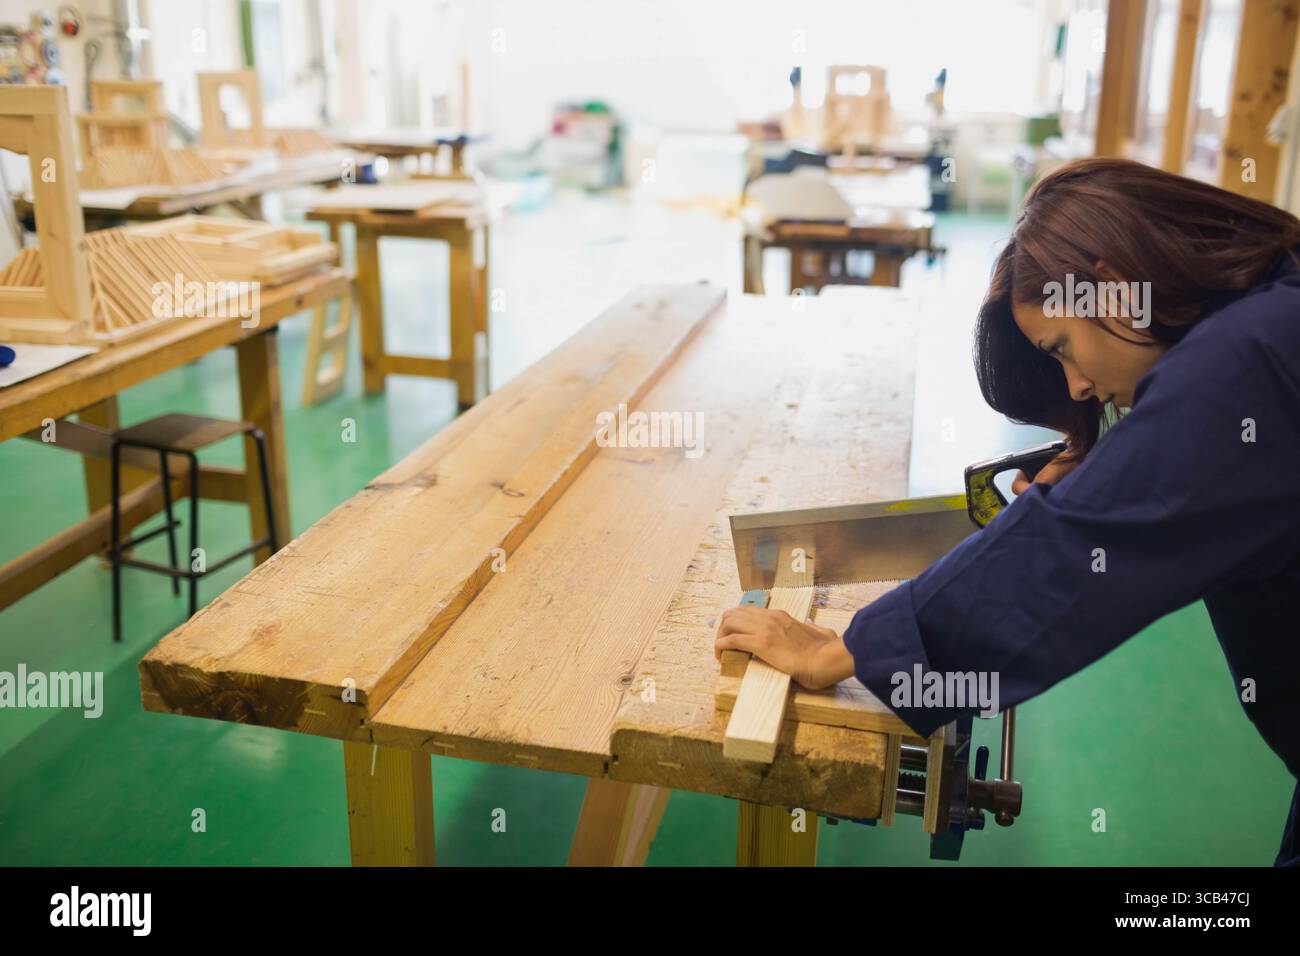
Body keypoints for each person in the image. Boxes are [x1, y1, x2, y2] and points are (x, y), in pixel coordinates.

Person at [715, 158, 1300, 865]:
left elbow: (1072, 555)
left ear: (1114, 290)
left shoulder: (1245, 364)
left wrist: (843, 651)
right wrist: (1111, 464)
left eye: (1061, 350)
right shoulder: (1274, 308)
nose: (1079, 386)